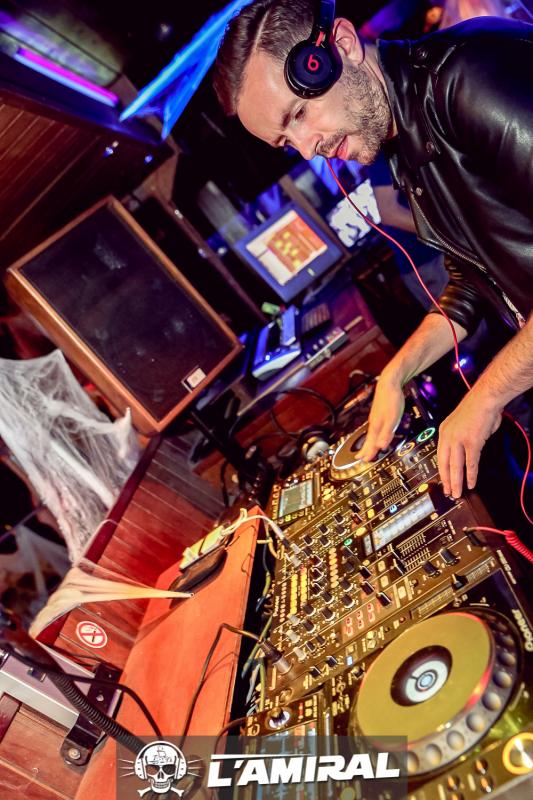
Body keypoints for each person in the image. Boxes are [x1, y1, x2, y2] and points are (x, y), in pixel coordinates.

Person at [213, 0, 533, 500]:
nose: (307, 148)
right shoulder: (405, 144)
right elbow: (472, 279)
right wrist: (396, 373)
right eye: (286, 141)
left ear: (340, 46)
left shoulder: (470, 78)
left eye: (300, 114)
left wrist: (486, 398)